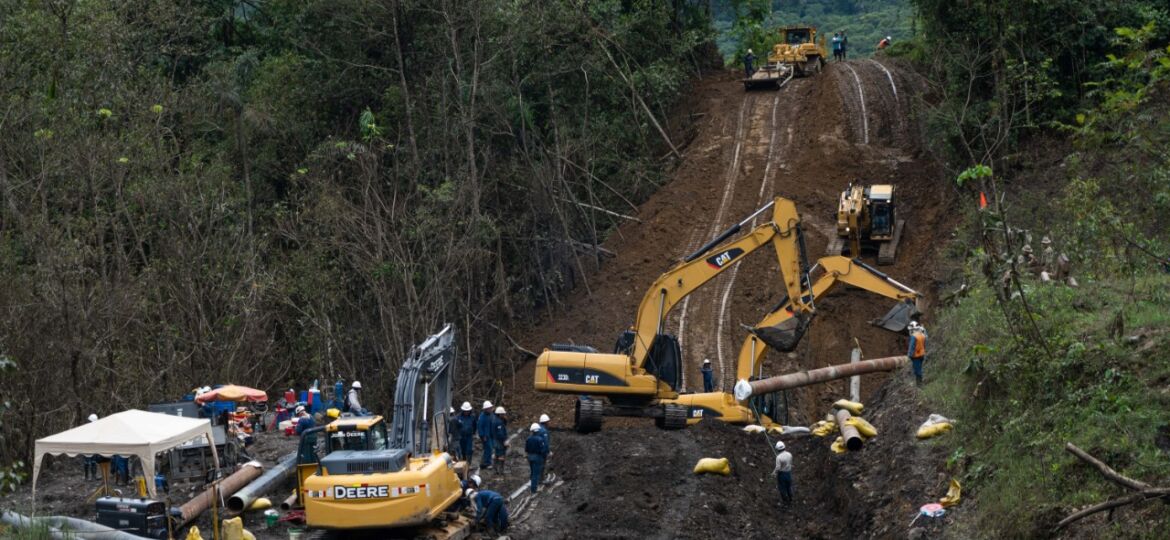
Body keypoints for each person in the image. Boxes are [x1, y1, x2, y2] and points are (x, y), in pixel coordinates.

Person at [525, 423, 549, 494]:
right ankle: (533, 490)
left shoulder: (528, 439)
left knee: (532, 472)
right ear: (538, 431)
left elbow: (526, 449)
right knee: (536, 474)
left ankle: (532, 486)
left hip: (530, 457)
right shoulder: (540, 439)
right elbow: (543, 450)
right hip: (537, 458)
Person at [907, 321, 928, 385]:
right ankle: (919, 383)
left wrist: (909, 355)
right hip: (922, 355)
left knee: (917, 370)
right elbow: (924, 345)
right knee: (919, 368)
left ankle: (919, 384)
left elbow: (911, 347)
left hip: (915, 356)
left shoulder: (913, 336)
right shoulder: (922, 335)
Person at [773, 441, 794, 506]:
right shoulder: (789, 454)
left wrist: (774, 473)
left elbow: (778, 467)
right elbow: (790, 463)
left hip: (782, 475)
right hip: (788, 473)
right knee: (788, 487)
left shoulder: (778, 457)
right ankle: (790, 499)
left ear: (777, 449)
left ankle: (785, 502)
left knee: (782, 488)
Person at [477, 401, 495, 469]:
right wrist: (482, 436)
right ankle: (487, 463)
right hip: (486, 436)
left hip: (491, 435)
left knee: (489, 449)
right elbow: (480, 427)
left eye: (490, 408)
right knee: (488, 449)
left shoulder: (491, 415)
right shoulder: (482, 417)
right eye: (489, 408)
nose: (490, 409)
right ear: (485, 409)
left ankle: (485, 462)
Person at [492, 406, 509, 472]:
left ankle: (495, 468)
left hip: (495, 440)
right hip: (499, 441)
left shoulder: (494, 420)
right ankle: (500, 470)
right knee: (501, 455)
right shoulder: (499, 422)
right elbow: (500, 433)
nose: (504, 415)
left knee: (496, 454)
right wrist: (504, 440)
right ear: (499, 414)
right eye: (502, 414)